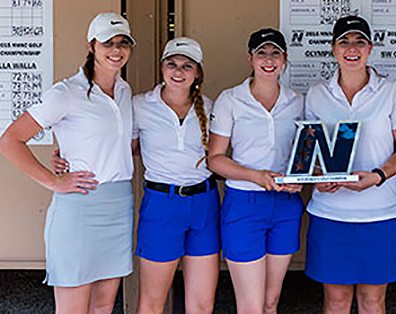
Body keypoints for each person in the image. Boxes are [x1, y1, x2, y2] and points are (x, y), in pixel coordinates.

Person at [51, 37, 220, 314]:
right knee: (152, 303)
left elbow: (222, 153)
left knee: (202, 304)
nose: (178, 72)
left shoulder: (212, 107)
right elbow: (115, 142)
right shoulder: (140, 105)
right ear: (162, 68)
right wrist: (65, 154)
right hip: (163, 204)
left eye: (187, 66)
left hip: (204, 202)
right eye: (172, 64)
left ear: (198, 72)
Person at [0, 12, 135, 313]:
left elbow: (114, 141)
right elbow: (10, 140)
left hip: (119, 206)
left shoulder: (125, 91)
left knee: (103, 306)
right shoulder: (66, 93)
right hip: (79, 208)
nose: (116, 50)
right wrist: (53, 180)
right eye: (108, 43)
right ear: (92, 46)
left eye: (123, 43)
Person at [303, 16, 396, 313]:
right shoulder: (316, 93)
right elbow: (309, 151)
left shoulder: (391, 91)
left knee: (372, 300)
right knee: (336, 300)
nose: (352, 49)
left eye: (359, 42)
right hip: (330, 214)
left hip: (380, 213)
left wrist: (378, 176)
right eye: (344, 42)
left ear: (370, 48)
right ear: (333, 48)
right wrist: (317, 178)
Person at [206, 28, 304, 313]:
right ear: (250, 58)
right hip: (244, 204)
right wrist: (256, 176)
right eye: (262, 53)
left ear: (285, 59)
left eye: (275, 53)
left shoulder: (298, 101)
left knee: (270, 302)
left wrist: (300, 178)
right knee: (250, 305)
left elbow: (306, 155)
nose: (268, 59)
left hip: (286, 205)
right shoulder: (231, 99)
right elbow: (215, 159)